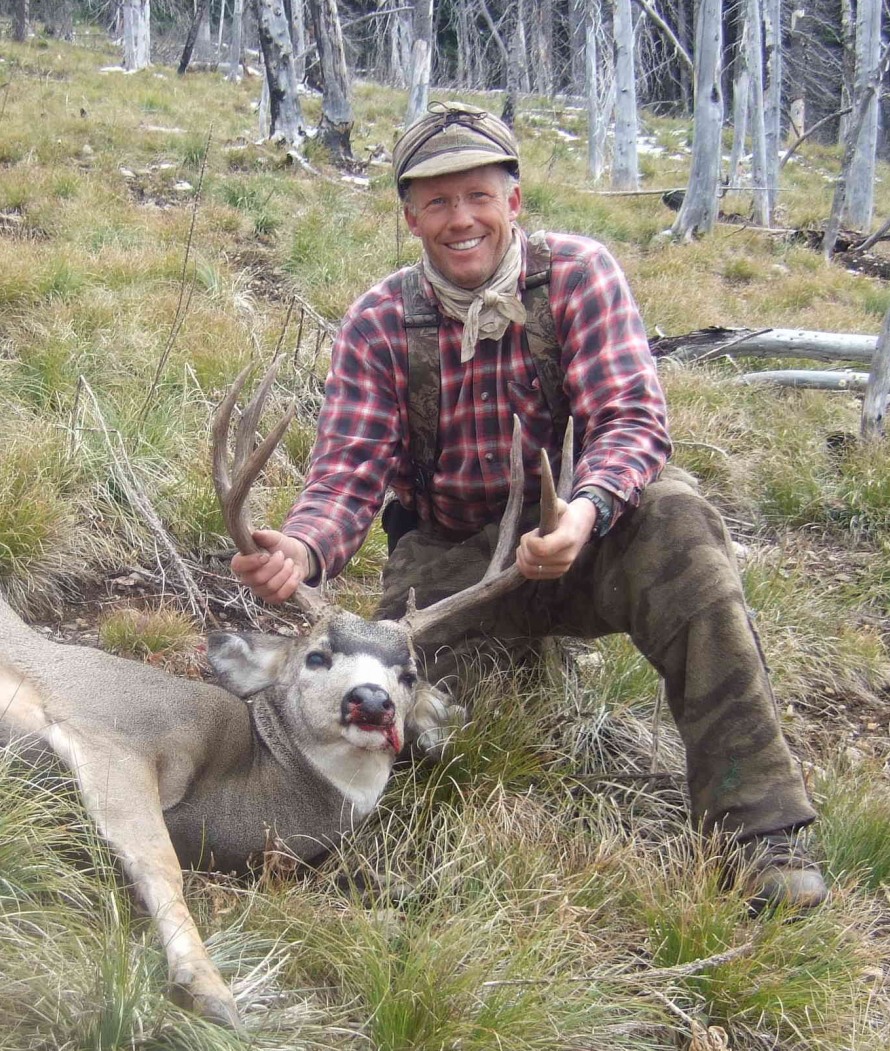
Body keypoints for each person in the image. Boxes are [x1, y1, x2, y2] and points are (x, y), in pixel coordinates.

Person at [230, 101, 827, 909]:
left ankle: (758, 834)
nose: (460, 219)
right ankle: (511, 666)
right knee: (410, 728)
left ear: (514, 201)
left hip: (579, 537)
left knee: (684, 533)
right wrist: (301, 549)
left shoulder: (579, 275)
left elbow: (630, 420)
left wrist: (584, 511)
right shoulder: (378, 321)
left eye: (478, 196)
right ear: (410, 217)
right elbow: (348, 473)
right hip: (447, 565)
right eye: (437, 202)